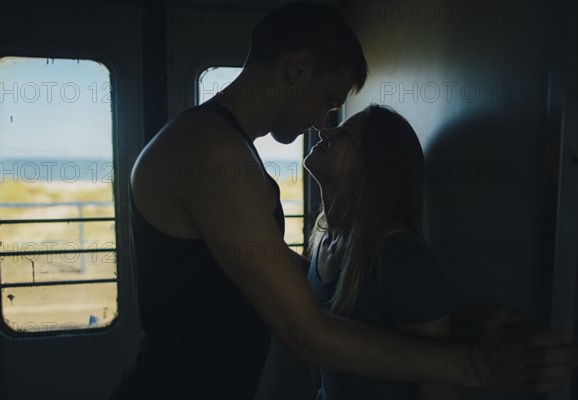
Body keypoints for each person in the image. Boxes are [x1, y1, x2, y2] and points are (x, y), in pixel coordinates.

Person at [110, 2, 576, 399]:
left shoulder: (227, 147)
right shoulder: (209, 149)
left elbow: (306, 292)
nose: (321, 121)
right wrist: (474, 365)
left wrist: (445, 323)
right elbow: (307, 331)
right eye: (329, 99)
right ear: (299, 68)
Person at [303, 104, 459, 399]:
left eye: (345, 131)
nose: (324, 131)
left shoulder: (401, 257)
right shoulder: (325, 240)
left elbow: (439, 388)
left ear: (369, 167)